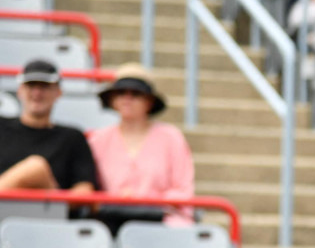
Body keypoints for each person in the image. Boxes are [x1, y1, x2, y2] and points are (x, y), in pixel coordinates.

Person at [88, 63, 195, 230]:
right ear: (112, 99)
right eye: (121, 93)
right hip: (110, 219)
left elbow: (183, 189)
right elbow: (91, 188)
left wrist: (145, 201)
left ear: (149, 101)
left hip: (162, 220)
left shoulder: (171, 138)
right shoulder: (98, 140)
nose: (127, 98)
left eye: (136, 94)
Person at [0, 60, 97, 193]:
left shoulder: (72, 138)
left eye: (44, 86)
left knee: (36, 167)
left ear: (58, 92)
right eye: (31, 85)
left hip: (51, 211)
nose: (37, 93)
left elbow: (84, 190)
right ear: (20, 91)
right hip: (4, 210)